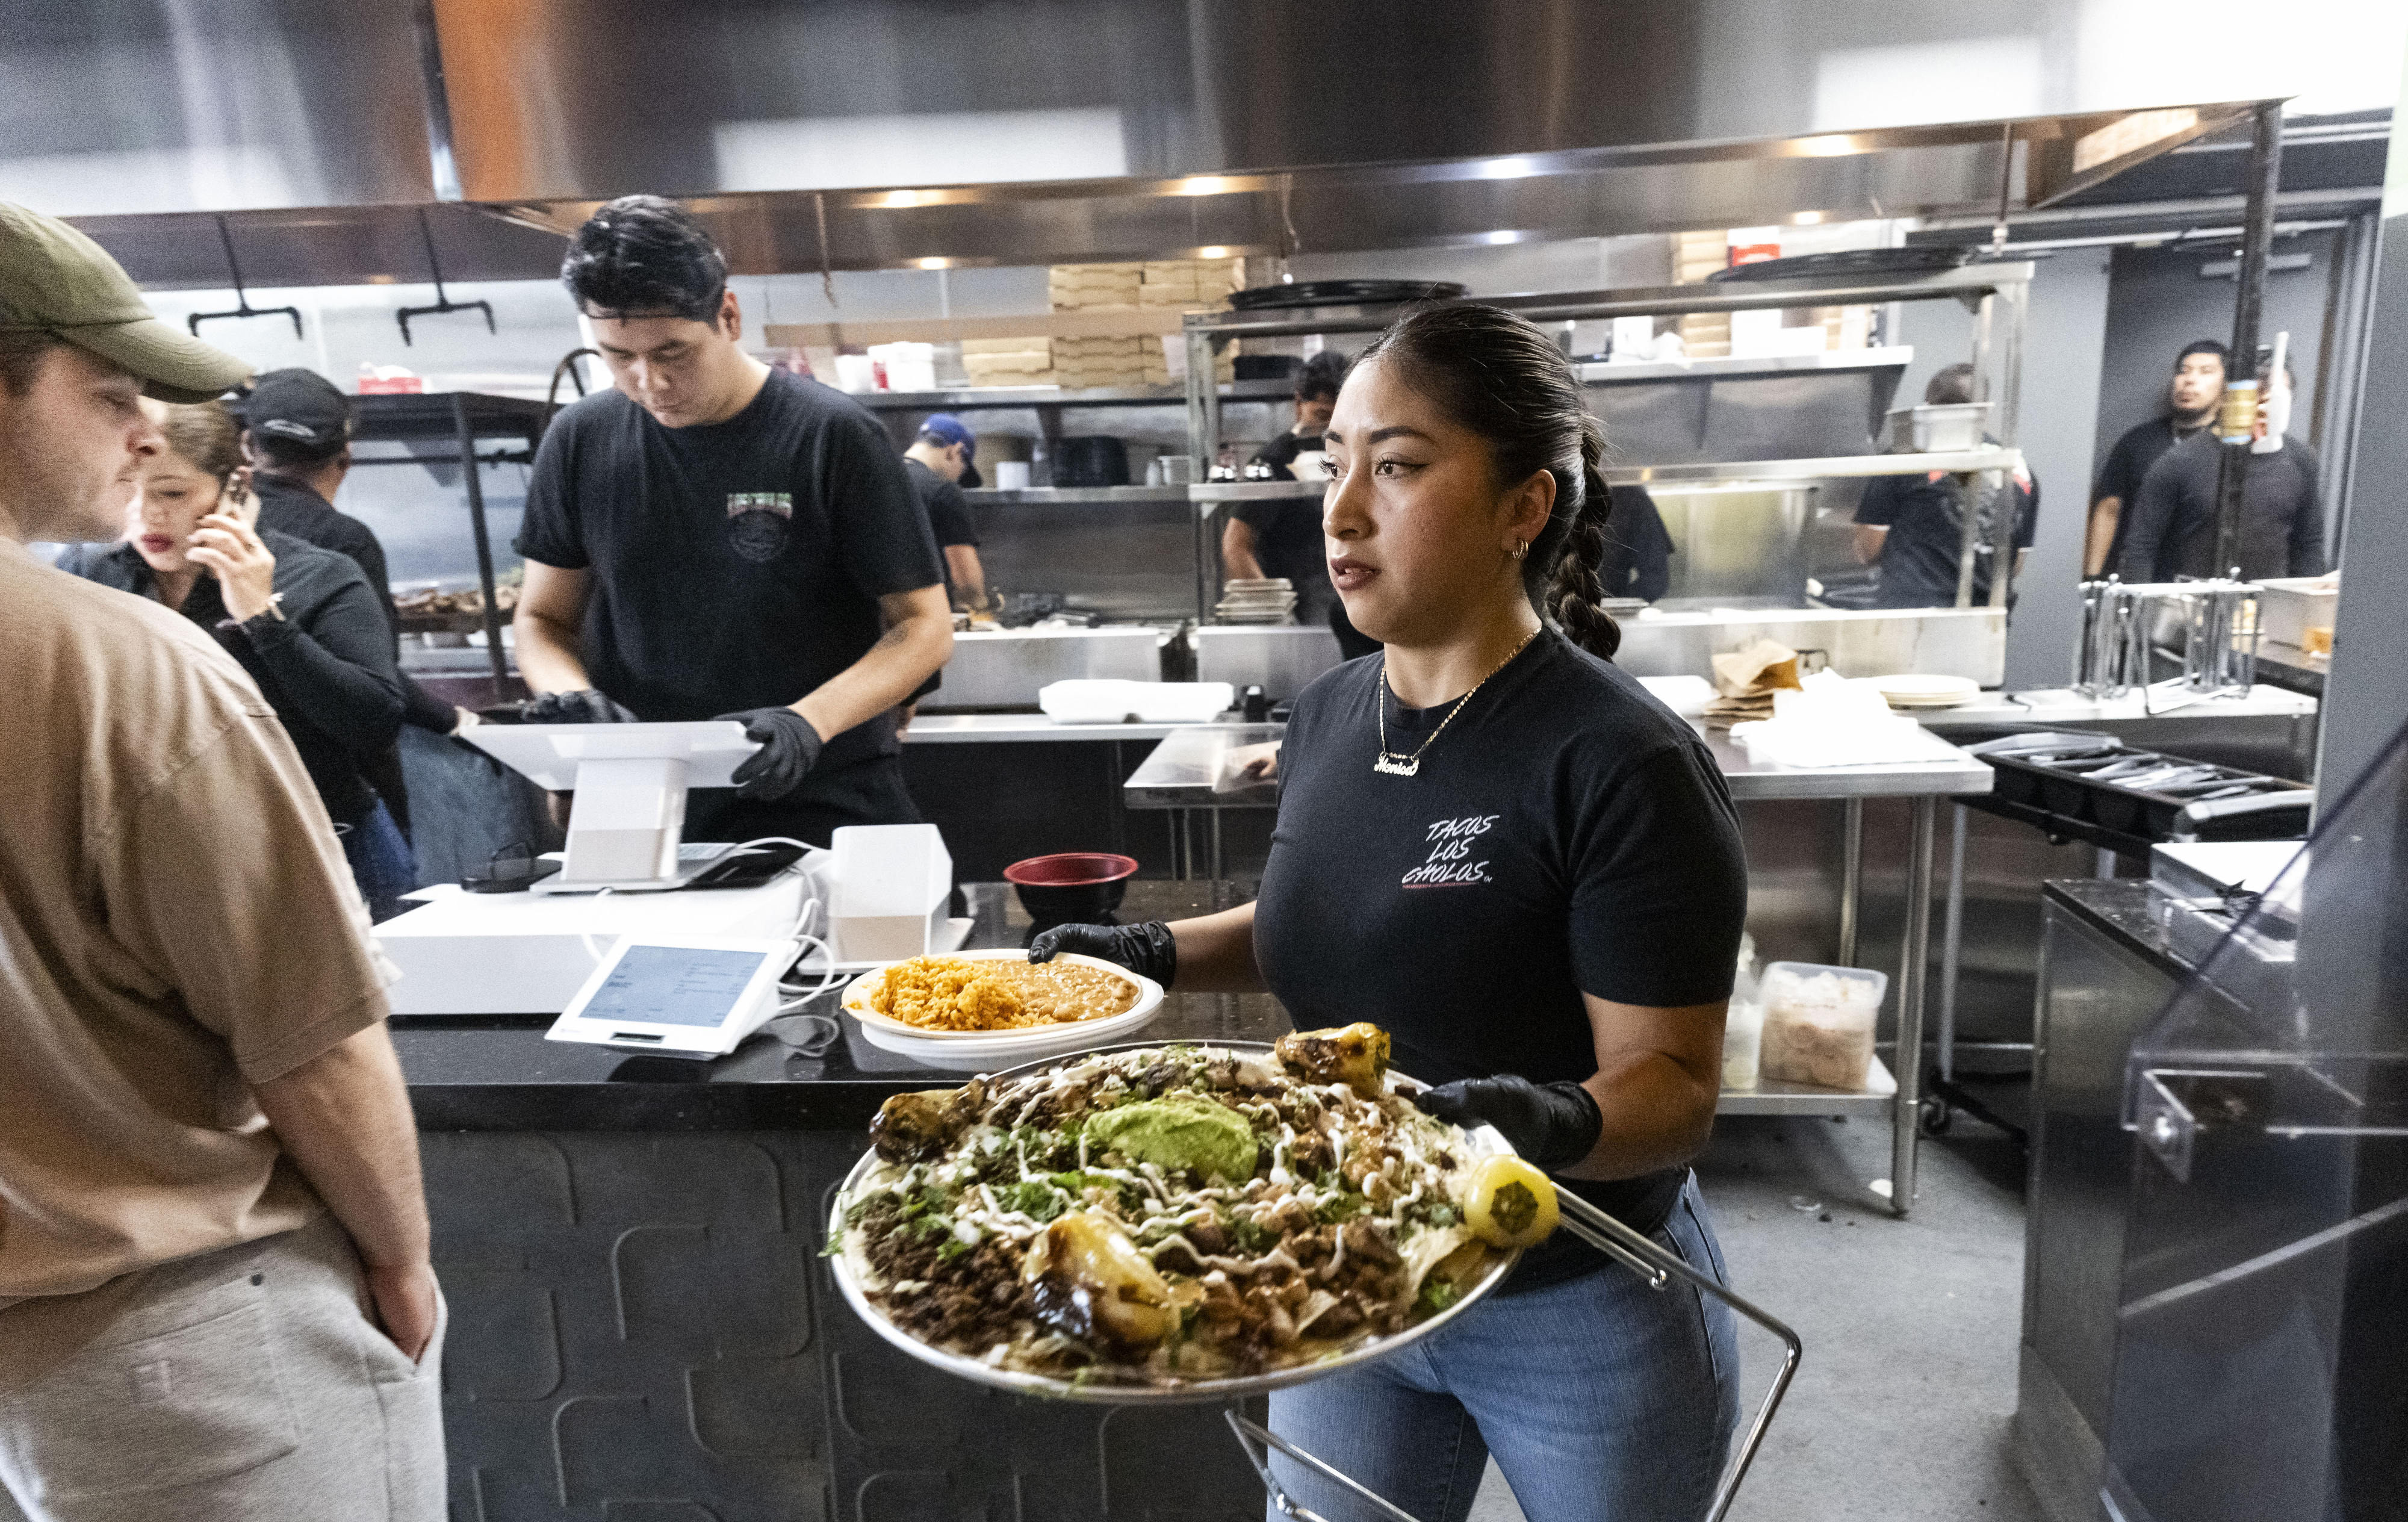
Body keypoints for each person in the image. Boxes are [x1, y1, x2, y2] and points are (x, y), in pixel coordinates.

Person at [1034, 303, 1748, 1522]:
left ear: (1523, 508)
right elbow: (1326, 922)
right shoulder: (1330, 712)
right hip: (1352, 1277)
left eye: (1399, 466)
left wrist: (1534, 1118)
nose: (1340, 507)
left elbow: (1672, 1090)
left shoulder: (1617, 761)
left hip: (1570, 1299)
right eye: (1335, 462)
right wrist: (1151, 953)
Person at [0, 200, 442, 1520]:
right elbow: (311, 1036)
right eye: (111, 390)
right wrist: (403, 1257)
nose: (145, 434)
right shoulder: (112, 662)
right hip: (197, 1343)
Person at [512, 195, 953, 845]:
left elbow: (924, 627)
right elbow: (542, 619)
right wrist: (569, 696)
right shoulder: (580, 439)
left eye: (673, 353)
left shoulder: (832, 435)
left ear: (729, 314)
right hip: (645, 803)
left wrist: (808, 722)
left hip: (819, 793)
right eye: (618, 356)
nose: (650, 382)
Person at [60, 400, 418, 921]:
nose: (148, 514)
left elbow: (374, 721)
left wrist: (263, 617)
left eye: (173, 493)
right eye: (129, 488)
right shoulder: (92, 573)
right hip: (163, 857)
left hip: (324, 844)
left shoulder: (318, 574)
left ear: (236, 485)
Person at [238, 367, 477, 745]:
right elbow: (378, 678)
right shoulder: (345, 540)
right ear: (346, 457)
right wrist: (456, 720)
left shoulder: (216, 526)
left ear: (248, 446)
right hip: (325, 759)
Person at [2118, 356, 2324, 583]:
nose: (2265, 406)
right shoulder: (2182, 461)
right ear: (2228, 399)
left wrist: (2307, 609)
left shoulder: (2300, 460)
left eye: (2274, 397)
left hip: (2268, 606)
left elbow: (2309, 545)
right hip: (2189, 606)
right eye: (2258, 395)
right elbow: (2141, 547)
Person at [1851, 362, 2038, 608]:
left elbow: (1868, 550)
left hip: (1912, 613)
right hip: (1988, 616)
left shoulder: (1902, 460)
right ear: (1984, 410)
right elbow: (2014, 564)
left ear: (1929, 407)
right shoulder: (2018, 469)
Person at [1225, 350, 1366, 641]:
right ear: (1298, 403)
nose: (1328, 430)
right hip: (1305, 623)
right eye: (1321, 416)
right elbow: (1236, 545)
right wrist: (1280, 620)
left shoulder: (1357, 457)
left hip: (1355, 617)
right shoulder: (1273, 461)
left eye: (1339, 417)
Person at [2085, 339, 2226, 577]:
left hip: (2201, 581)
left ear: (2226, 387)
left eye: (2206, 372)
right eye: (2184, 371)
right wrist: (2091, 579)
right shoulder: (2139, 441)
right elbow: (2109, 509)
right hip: (2139, 575)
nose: (2189, 380)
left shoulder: (2231, 448)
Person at [901, 412, 991, 615]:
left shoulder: (875, 479)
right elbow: (967, 581)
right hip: (927, 622)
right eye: (962, 469)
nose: (957, 479)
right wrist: (982, 611)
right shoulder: (942, 491)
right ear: (955, 451)